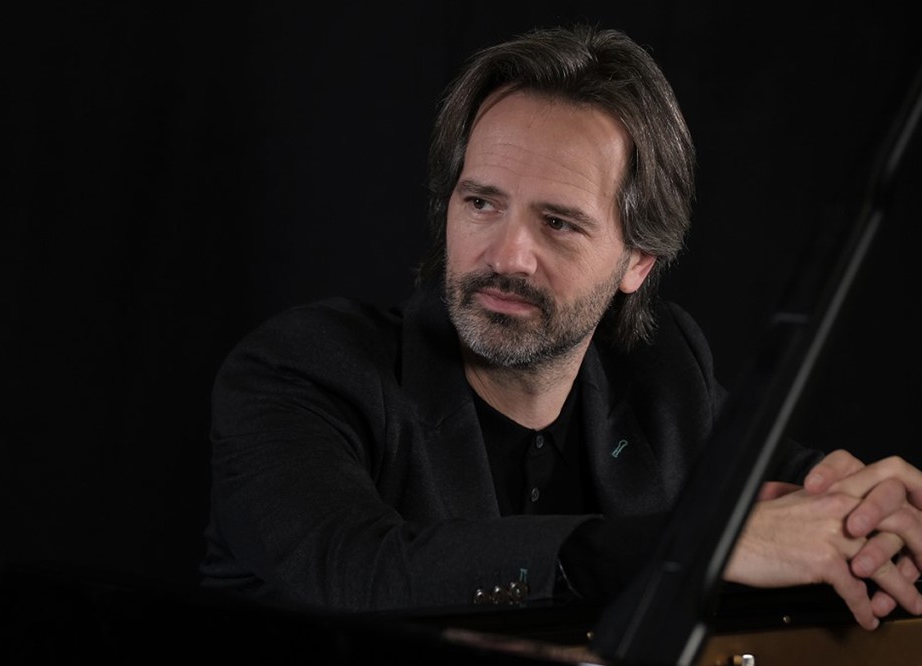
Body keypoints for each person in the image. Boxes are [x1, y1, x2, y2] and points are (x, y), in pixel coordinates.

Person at [199, 24, 922, 634]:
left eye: (558, 222)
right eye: (482, 203)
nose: (507, 255)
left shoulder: (661, 375)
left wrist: (867, 511)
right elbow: (354, 573)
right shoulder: (303, 372)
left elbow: (792, 481)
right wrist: (698, 542)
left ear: (638, 260)